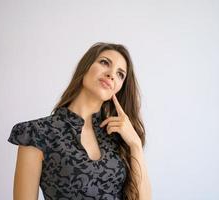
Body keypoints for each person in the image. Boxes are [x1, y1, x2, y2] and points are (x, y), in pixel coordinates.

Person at [8, 42, 152, 200]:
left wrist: (135, 144)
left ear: (119, 88)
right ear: (86, 66)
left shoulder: (117, 136)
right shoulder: (36, 133)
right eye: (104, 62)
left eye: (120, 74)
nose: (111, 74)